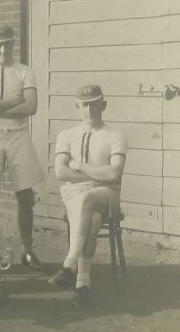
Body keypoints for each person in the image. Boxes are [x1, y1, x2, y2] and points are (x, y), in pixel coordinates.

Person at [47, 84, 127, 307]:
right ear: (77, 106)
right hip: (74, 193)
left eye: (94, 104)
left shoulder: (115, 135)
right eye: (84, 105)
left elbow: (114, 173)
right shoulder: (66, 135)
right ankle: (83, 284)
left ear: (104, 105)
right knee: (91, 218)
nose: (89, 110)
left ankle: (69, 264)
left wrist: (79, 165)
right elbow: (61, 172)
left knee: (87, 199)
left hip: (107, 195)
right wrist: (97, 174)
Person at [0, 24, 43, 268]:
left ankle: (27, 250)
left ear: (14, 44)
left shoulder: (25, 72)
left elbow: (31, 107)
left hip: (18, 135)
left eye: (7, 43)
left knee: (24, 195)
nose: (3, 49)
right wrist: (13, 101)